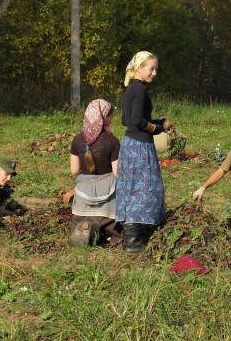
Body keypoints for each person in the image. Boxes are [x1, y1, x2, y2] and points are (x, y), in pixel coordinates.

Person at [115, 51, 171, 254]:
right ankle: (133, 242)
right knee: (147, 189)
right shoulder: (139, 90)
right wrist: (156, 128)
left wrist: (159, 123)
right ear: (139, 68)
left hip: (130, 144)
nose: (154, 72)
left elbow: (126, 121)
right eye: (151, 68)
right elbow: (138, 121)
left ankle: (131, 237)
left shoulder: (131, 89)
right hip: (140, 147)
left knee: (132, 189)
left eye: (156, 69)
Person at [67, 99, 122, 247]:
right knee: (112, 231)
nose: (111, 120)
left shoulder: (77, 139)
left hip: (83, 201)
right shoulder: (112, 141)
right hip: (107, 200)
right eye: (110, 117)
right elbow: (117, 173)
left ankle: (86, 229)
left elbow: (74, 170)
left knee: (82, 221)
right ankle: (101, 233)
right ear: (104, 117)